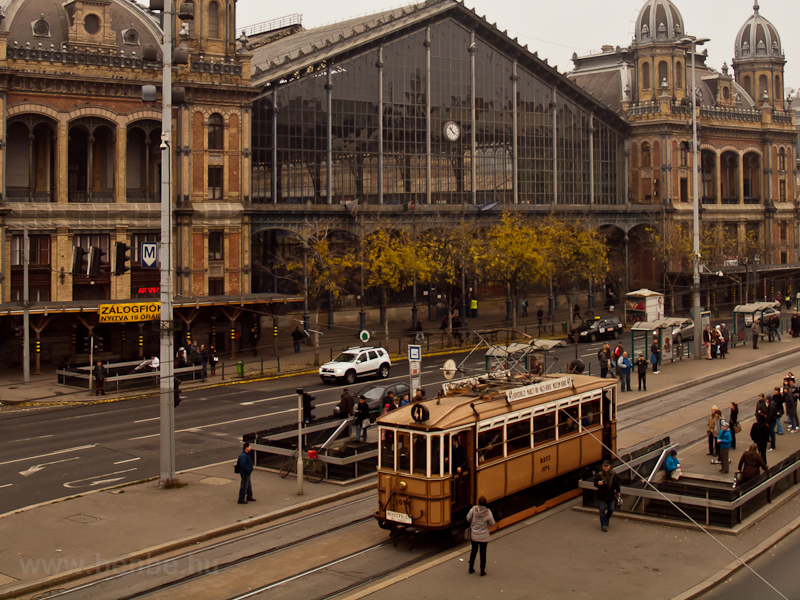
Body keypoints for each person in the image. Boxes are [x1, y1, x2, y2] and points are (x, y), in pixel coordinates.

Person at [466, 496, 495, 576]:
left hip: (474, 535)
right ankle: (482, 571)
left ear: (478, 502)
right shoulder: (488, 512)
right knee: (483, 554)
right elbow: (492, 524)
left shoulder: (473, 510)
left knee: (473, 552)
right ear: (485, 503)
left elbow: (468, 518)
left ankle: (471, 568)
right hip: (483, 537)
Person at [593, 460, 620, 532]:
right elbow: (595, 483)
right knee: (602, 510)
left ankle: (606, 518)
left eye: (606, 466)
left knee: (611, 509)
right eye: (604, 466)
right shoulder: (599, 475)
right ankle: (603, 525)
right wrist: (598, 483)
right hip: (602, 495)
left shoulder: (613, 474)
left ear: (609, 466)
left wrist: (618, 491)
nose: (605, 467)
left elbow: (616, 483)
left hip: (610, 495)